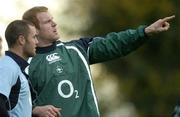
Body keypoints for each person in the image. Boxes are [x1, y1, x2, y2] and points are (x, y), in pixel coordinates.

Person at [22, 6, 175, 117]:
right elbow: (12, 106)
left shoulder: (77, 49)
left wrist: (144, 32)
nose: (54, 24)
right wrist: (34, 110)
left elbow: (114, 43)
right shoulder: (25, 67)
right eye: (48, 22)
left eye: (53, 20)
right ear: (34, 29)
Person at [0, 20, 38, 117]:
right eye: (34, 37)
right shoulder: (8, 66)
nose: (37, 42)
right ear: (21, 40)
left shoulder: (14, 67)